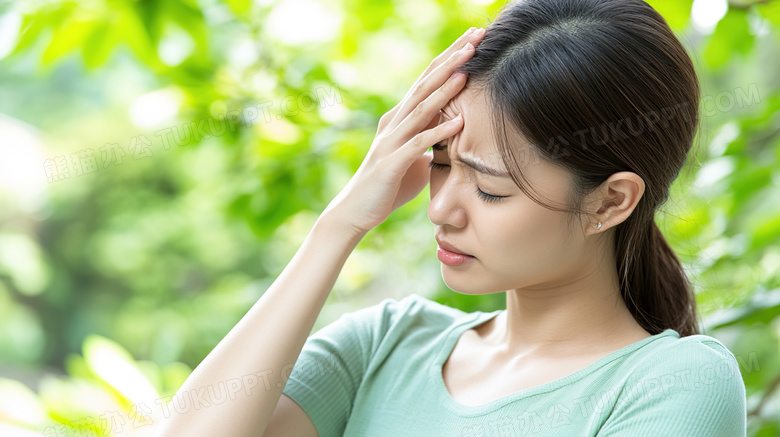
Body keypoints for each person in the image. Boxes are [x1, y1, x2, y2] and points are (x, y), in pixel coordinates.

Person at [153, 0, 747, 436]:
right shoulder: (386, 346)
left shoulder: (674, 384)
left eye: (490, 189)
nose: (439, 208)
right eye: (439, 163)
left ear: (610, 201)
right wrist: (338, 227)